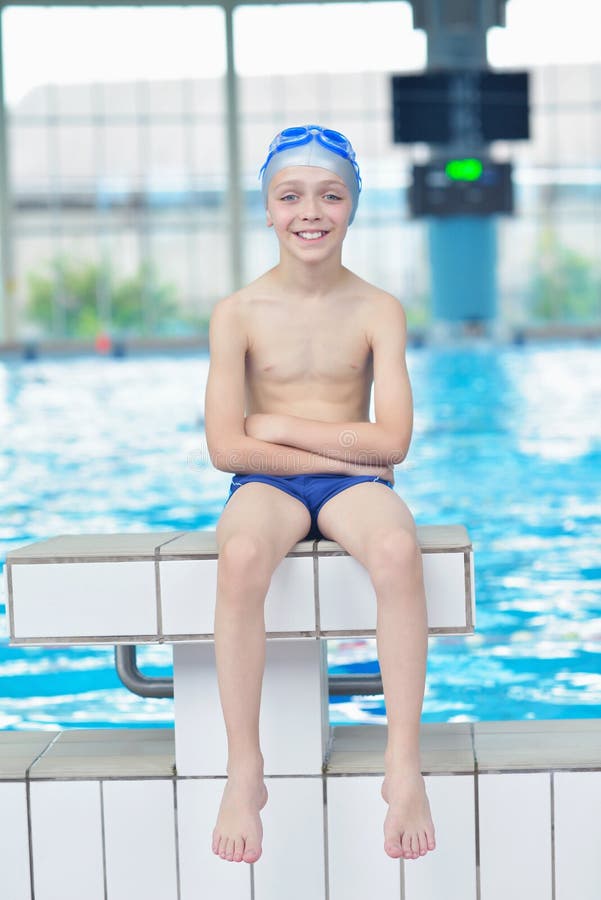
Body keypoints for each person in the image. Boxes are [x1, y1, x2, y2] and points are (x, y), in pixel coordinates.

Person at [204, 124, 435, 866]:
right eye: (291, 196)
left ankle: (403, 766)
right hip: (277, 477)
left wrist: (274, 421)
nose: (311, 211)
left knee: (398, 550)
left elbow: (393, 441)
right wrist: (336, 451)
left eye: (330, 195)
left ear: (353, 206)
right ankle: (246, 769)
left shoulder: (378, 309)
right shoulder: (237, 312)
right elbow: (226, 449)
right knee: (240, 555)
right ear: (268, 209)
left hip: (343, 481)